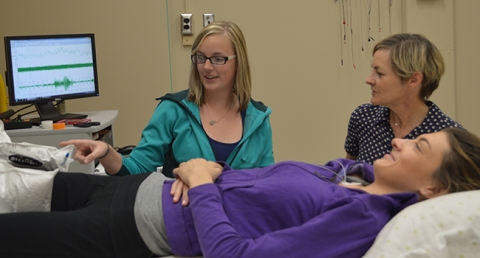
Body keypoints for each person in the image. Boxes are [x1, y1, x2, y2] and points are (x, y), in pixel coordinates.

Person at [1, 128, 480, 258]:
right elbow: (258, 188)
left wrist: (203, 182)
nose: (399, 140)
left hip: (129, 226)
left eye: (418, 146)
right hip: (134, 187)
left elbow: (237, 253)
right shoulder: (350, 176)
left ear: (434, 187)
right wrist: (210, 168)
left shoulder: (361, 220)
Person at [60, 21, 274, 178]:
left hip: (241, 222)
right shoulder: (174, 110)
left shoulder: (258, 119)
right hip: (183, 218)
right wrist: (107, 153)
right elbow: (137, 168)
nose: (207, 67)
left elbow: (267, 182)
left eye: (218, 58)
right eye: (200, 58)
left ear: (239, 62)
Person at [345, 33, 463, 165]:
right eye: (373, 70)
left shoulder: (449, 138)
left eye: (379, 73)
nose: (369, 80)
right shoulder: (363, 117)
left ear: (413, 80)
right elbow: (350, 174)